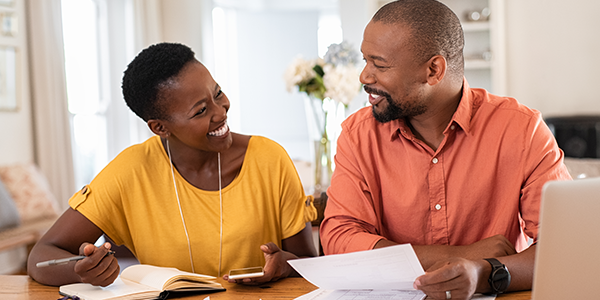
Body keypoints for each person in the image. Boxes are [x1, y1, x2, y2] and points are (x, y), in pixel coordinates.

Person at [319, 1, 571, 299]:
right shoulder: (358, 135)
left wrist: (483, 273)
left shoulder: (521, 130)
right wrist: (461, 254)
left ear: (434, 70)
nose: (364, 76)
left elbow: (565, 248)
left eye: (379, 64)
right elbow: (340, 237)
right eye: (365, 60)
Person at [27, 42, 317, 287]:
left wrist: (283, 265)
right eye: (201, 110)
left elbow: (308, 263)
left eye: (217, 93)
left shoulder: (269, 159)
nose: (221, 112)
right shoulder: (131, 171)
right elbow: (41, 256)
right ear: (160, 128)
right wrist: (82, 271)